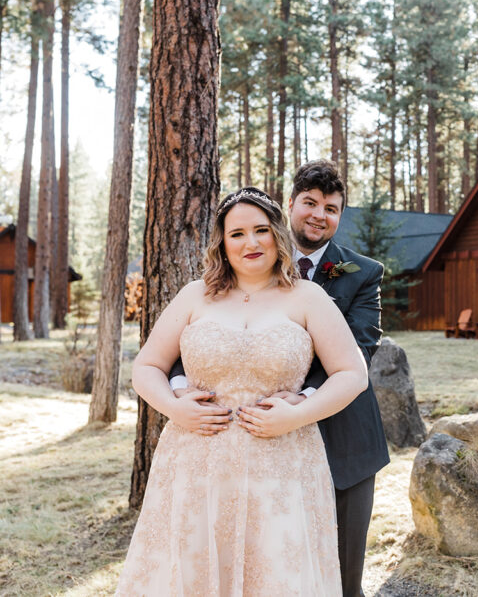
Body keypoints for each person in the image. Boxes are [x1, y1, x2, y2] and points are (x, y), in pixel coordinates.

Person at [116, 187, 368, 595]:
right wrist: (174, 409)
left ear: (277, 235)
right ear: (222, 242)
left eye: (261, 230)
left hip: (283, 464)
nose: (251, 243)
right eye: (237, 234)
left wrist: (299, 413)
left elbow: (352, 373)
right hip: (197, 463)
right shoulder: (195, 296)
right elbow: (146, 367)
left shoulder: (308, 297)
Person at [168, 160, 390, 596]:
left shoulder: (363, 273)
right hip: (250, 443)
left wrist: (301, 399)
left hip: (342, 437)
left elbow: (358, 349)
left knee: (340, 577)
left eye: (331, 208)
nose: (319, 215)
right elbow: (199, 338)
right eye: (309, 203)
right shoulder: (247, 256)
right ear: (290, 205)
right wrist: (180, 388)